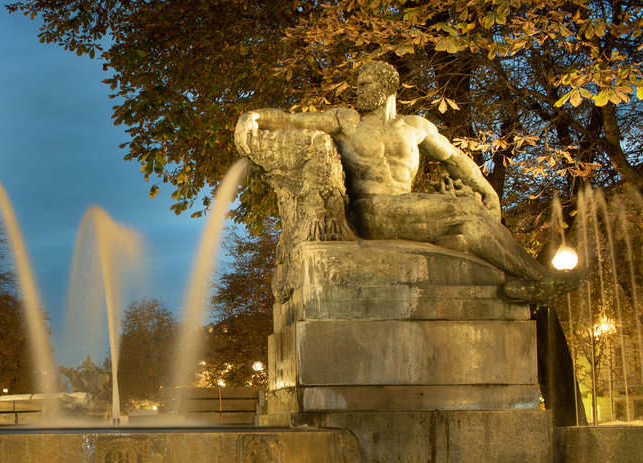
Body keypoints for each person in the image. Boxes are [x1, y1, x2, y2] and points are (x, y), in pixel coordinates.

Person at [235, 61, 584, 303]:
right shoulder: (346, 120)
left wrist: (488, 191)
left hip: (405, 209)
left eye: (365, 84)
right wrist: (253, 116)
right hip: (370, 212)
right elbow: (292, 121)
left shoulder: (416, 126)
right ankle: (540, 279)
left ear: (387, 86)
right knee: (464, 212)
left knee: (472, 219)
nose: (358, 90)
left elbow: (455, 159)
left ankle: (522, 281)